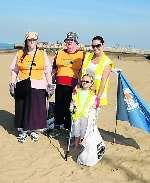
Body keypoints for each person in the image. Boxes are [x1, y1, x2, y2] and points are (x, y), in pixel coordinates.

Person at [9, 32, 52, 143]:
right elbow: (14, 70)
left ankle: (34, 130)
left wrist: (50, 85)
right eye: (30, 39)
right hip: (22, 84)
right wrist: (12, 83)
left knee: (36, 110)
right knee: (21, 108)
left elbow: (47, 71)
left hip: (38, 85)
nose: (32, 41)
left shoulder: (42, 54)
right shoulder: (19, 53)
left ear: (37, 40)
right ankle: (23, 131)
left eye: (34, 39)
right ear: (26, 41)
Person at [52, 32, 85, 130]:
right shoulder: (60, 52)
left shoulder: (82, 54)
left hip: (73, 84)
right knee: (59, 104)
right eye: (67, 40)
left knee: (70, 105)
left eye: (71, 40)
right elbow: (54, 67)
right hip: (59, 83)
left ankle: (68, 126)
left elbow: (87, 68)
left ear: (76, 42)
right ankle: (58, 124)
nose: (69, 42)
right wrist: (50, 79)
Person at [81, 35, 114, 108]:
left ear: (103, 45)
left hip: (95, 95)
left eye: (98, 45)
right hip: (84, 91)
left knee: (91, 118)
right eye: (93, 46)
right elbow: (82, 73)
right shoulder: (88, 56)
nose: (95, 48)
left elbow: (103, 82)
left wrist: (97, 98)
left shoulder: (107, 62)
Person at [70, 74, 97, 149]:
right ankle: (76, 143)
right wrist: (72, 108)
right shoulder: (77, 92)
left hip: (86, 116)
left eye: (87, 81)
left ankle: (83, 144)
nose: (84, 82)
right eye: (83, 81)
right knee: (76, 129)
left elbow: (94, 105)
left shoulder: (92, 95)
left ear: (91, 83)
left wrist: (93, 111)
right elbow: (73, 102)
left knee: (84, 130)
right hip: (77, 114)